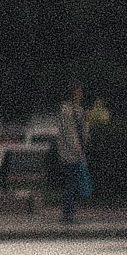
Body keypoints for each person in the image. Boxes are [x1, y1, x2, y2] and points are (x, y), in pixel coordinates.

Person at [54, 79, 91, 225]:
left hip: (78, 151)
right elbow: (69, 134)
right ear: (72, 94)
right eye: (77, 92)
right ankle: (67, 213)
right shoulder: (65, 111)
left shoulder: (79, 110)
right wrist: (77, 150)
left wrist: (86, 122)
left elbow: (83, 133)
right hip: (70, 153)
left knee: (74, 183)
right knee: (71, 183)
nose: (80, 94)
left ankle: (70, 212)